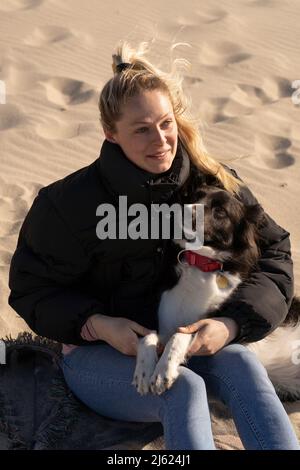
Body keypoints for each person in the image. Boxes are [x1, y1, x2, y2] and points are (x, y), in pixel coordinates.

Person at [8, 41, 299, 450]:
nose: (160, 140)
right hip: (101, 357)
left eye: (165, 123)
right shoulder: (67, 204)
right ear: (111, 133)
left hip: (194, 341)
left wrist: (230, 324)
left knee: (245, 367)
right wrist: (98, 325)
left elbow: (273, 253)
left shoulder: (215, 184)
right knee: (183, 391)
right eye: (141, 130)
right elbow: (31, 289)